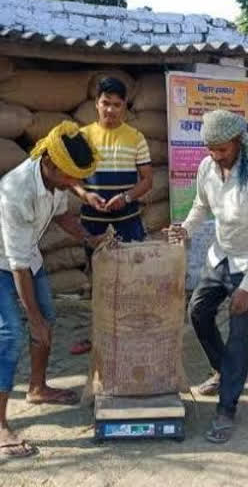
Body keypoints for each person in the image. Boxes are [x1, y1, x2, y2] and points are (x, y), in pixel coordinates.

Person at [0, 121, 104, 458]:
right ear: (53, 164)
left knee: (48, 316)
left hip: (27, 252)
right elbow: (15, 265)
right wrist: (31, 317)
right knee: (13, 332)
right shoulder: (19, 190)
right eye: (73, 176)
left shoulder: (55, 183)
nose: (77, 184)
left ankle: (37, 387)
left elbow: (61, 218)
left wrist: (88, 236)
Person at [166, 109, 248, 444]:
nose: (216, 157)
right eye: (211, 149)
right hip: (220, 256)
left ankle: (227, 408)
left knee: (239, 331)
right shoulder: (206, 168)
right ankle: (222, 371)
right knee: (198, 312)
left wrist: (247, 287)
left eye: (222, 150)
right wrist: (185, 230)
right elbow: (201, 205)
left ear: (238, 143)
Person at [68, 77, 153, 355]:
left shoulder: (136, 138)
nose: (111, 110)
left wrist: (126, 197)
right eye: (106, 103)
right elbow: (71, 177)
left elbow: (147, 181)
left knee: (132, 277)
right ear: (96, 103)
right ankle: (97, 337)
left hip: (128, 219)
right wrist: (85, 196)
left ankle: (131, 334)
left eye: (117, 105)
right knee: (99, 280)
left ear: (125, 107)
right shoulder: (83, 136)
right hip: (93, 221)